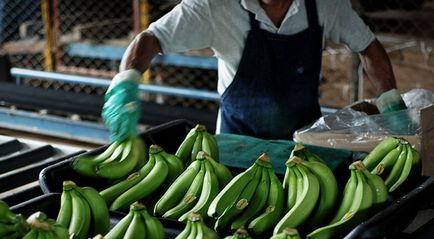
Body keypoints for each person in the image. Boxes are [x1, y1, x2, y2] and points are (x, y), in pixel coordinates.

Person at [102, 0, 405, 142]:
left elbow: (369, 46)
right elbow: (151, 39)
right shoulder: (214, 8)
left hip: (307, 141)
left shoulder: (324, 5)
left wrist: (390, 101)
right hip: (237, 143)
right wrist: (125, 83)